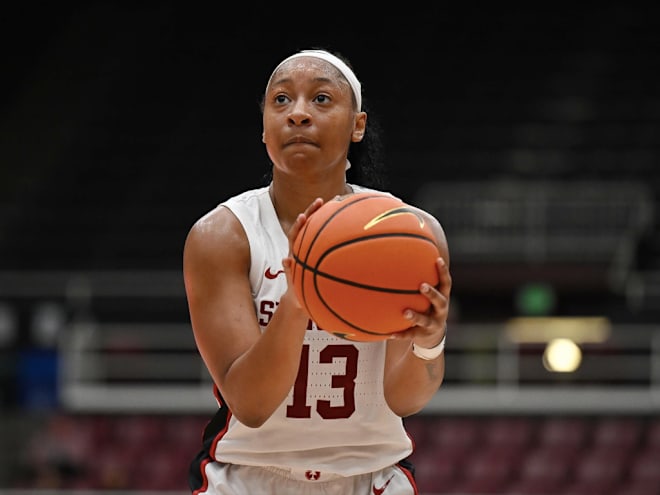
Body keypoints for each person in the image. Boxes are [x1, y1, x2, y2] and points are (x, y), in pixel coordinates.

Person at [182, 47, 452, 495]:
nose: (298, 114)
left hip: (372, 478)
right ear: (264, 128)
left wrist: (427, 342)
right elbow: (250, 404)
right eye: (282, 100)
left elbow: (405, 399)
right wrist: (301, 295)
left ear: (358, 124)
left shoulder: (413, 235)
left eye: (322, 99)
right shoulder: (222, 236)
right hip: (249, 479)